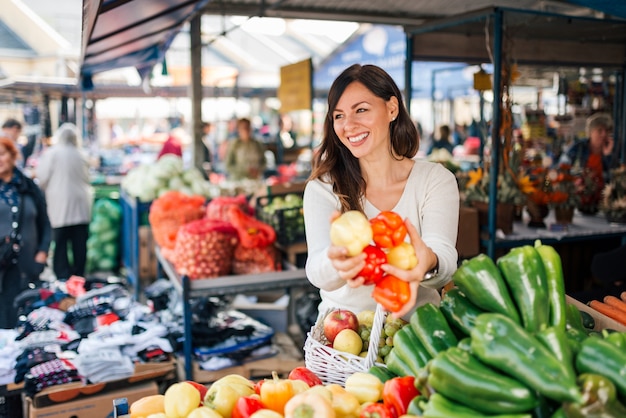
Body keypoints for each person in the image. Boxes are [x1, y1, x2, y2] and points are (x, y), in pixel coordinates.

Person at [303, 64, 459, 319]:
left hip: (418, 333)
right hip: (344, 338)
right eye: (339, 115)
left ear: (392, 109)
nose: (348, 125)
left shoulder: (435, 180)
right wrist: (337, 262)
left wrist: (428, 261)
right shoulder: (323, 188)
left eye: (361, 110)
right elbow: (318, 274)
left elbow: (444, 259)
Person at [0, 137, 51, 328]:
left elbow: (45, 223)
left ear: (13, 156)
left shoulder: (29, 188)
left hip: (28, 266)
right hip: (2, 270)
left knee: (28, 322)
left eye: (2, 154)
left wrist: (42, 253)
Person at [36, 123, 92, 281]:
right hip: (81, 205)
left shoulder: (52, 153)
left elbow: (42, 178)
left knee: (60, 243)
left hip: (59, 205)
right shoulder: (81, 154)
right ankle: (79, 277)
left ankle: (63, 277)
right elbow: (88, 178)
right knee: (79, 245)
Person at [561, 112, 615, 183]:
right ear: (590, 133)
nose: (604, 134)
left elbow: (614, 180)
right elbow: (561, 169)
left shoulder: (613, 151)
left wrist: (607, 156)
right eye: (600, 130)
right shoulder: (578, 148)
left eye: (607, 131)